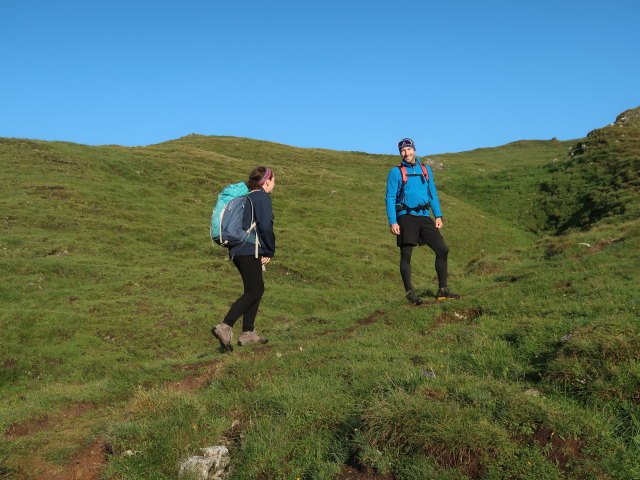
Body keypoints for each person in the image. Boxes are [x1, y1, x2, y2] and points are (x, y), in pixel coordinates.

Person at [385, 138, 459, 304]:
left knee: (442, 249)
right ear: (400, 153)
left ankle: (442, 290)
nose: (406, 153)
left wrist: (438, 215)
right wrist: (393, 221)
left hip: (424, 216)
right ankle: (410, 293)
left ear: (414, 150)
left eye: (409, 150)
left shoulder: (425, 169)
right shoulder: (396, 172)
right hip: (405, 216)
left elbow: (431, 193)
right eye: (403, 151)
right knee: (406, 254)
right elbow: (390, 197)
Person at [212, 166, 276, 350]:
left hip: (238, 248)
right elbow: (265, 225)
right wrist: (269, 250)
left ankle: (248, 332)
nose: (275, 184)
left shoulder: (246, 197)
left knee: (255, 288)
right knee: (255, 290)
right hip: (248, 247)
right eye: (274, 181)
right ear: (267, 181)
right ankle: (225, 325)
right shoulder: (261, 197)